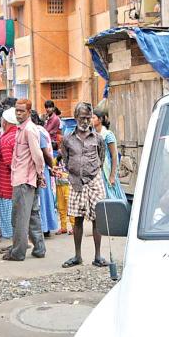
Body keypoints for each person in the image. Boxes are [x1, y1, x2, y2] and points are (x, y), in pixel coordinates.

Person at [61, 102, 108, 268]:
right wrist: (76, 173)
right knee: (77, 219)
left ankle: (98, 256)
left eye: (89, 118)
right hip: (75, 182)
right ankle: (77, 256)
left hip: (94, 180)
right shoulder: (67, 139)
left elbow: (101, 159)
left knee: (97, 219)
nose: (86, 121)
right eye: (82, 118)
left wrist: (90, 172)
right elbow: (66, 160)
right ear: (75, 118)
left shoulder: (98, 139)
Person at [4, 99, 46, 261]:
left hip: (24, 180)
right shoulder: (21, 129)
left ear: (29, 112)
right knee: (33, 215)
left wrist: (40, 173)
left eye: (21, 111)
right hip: (26, 178)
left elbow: (38, 155)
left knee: (20, 218)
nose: (18, 114)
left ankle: (18, 252)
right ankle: (39, 248)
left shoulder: (29, 130)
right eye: (17, 111)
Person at [31, 110, 60, 235]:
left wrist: (52, 166)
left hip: (42, 170)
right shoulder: (40, 130)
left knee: (41, 200)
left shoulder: (37, 132)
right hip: (43, 169)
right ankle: (45, 227)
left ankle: (44, 228)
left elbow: (45, 152)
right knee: (44, 199)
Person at [92, 109, 127, 204]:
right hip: (97, 171)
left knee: (111, 197)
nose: (91, 120)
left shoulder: (107, 135)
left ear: (100, 120)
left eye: (93, 117)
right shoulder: (93, 135)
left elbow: (114, 156)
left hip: (106, 171)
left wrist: (112, 176)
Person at [0, 108, 18, 244]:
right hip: (17, 185)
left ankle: (13, 245)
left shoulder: (6, 139)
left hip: (6, 186)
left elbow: (10, 164)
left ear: (5, 122)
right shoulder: (19, 134)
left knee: (8, 217)